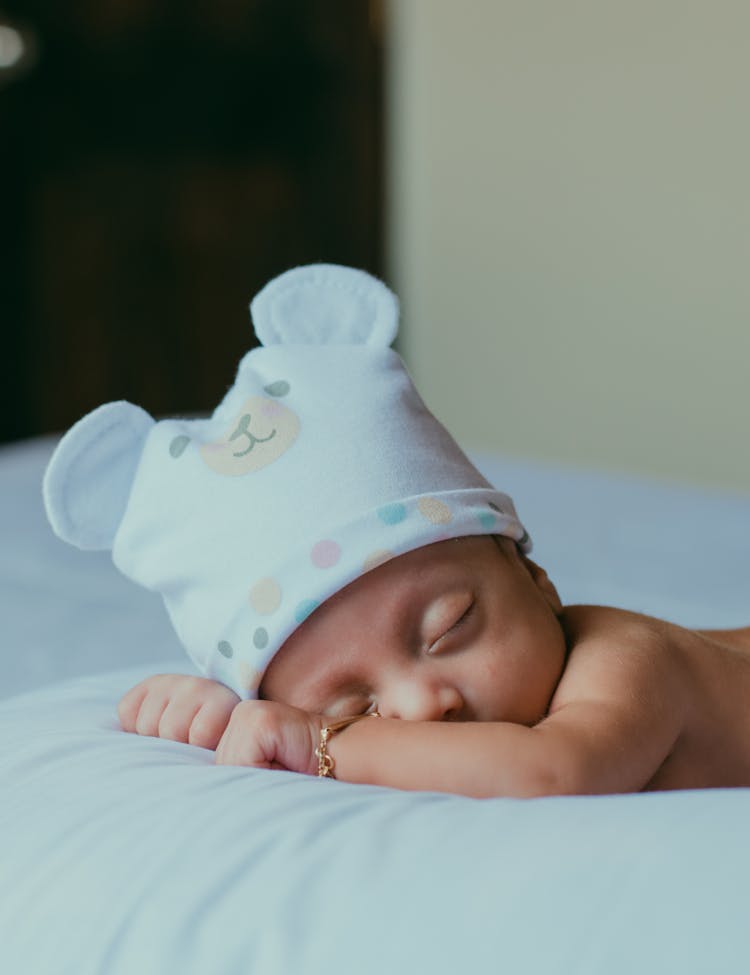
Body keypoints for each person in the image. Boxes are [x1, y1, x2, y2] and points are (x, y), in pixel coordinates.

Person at [44, 265, 750, 798]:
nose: (419, 707)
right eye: (356, 703)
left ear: (538, 580)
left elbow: (551, 771)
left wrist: (324, 739)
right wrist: (226, 712)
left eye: (448, 628)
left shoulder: (625, 664)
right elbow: (269, 726)